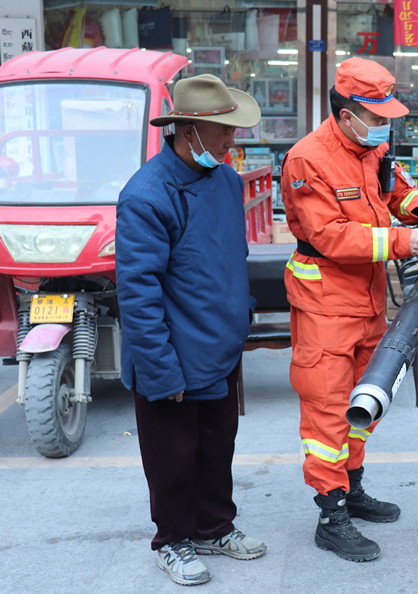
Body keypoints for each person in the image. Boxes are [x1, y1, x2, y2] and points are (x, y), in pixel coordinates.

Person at [280, 57, 418, 562]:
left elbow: (398, 189)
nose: (383, 126)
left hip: (366, 301)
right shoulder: (307, 160)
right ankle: (331, 515)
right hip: (324, 306)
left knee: (363, 404)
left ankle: (351, 487)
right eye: (376, 117)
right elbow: (329, 235)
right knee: (326, 412)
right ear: (346, 113)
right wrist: (404, 241)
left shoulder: (371, 149)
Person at [116, 74, 266, 587]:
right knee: (172, 457)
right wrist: (161, 371)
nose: (231, 141)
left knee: (217, 447)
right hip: (173, 354)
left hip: (219, 345)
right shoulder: (146, 195)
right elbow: (138, 294)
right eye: (224, 132)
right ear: (189, 132)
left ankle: (214, 527)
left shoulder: (225, 180)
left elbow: (231, 257)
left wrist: (241, 314)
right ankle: (172, 539)